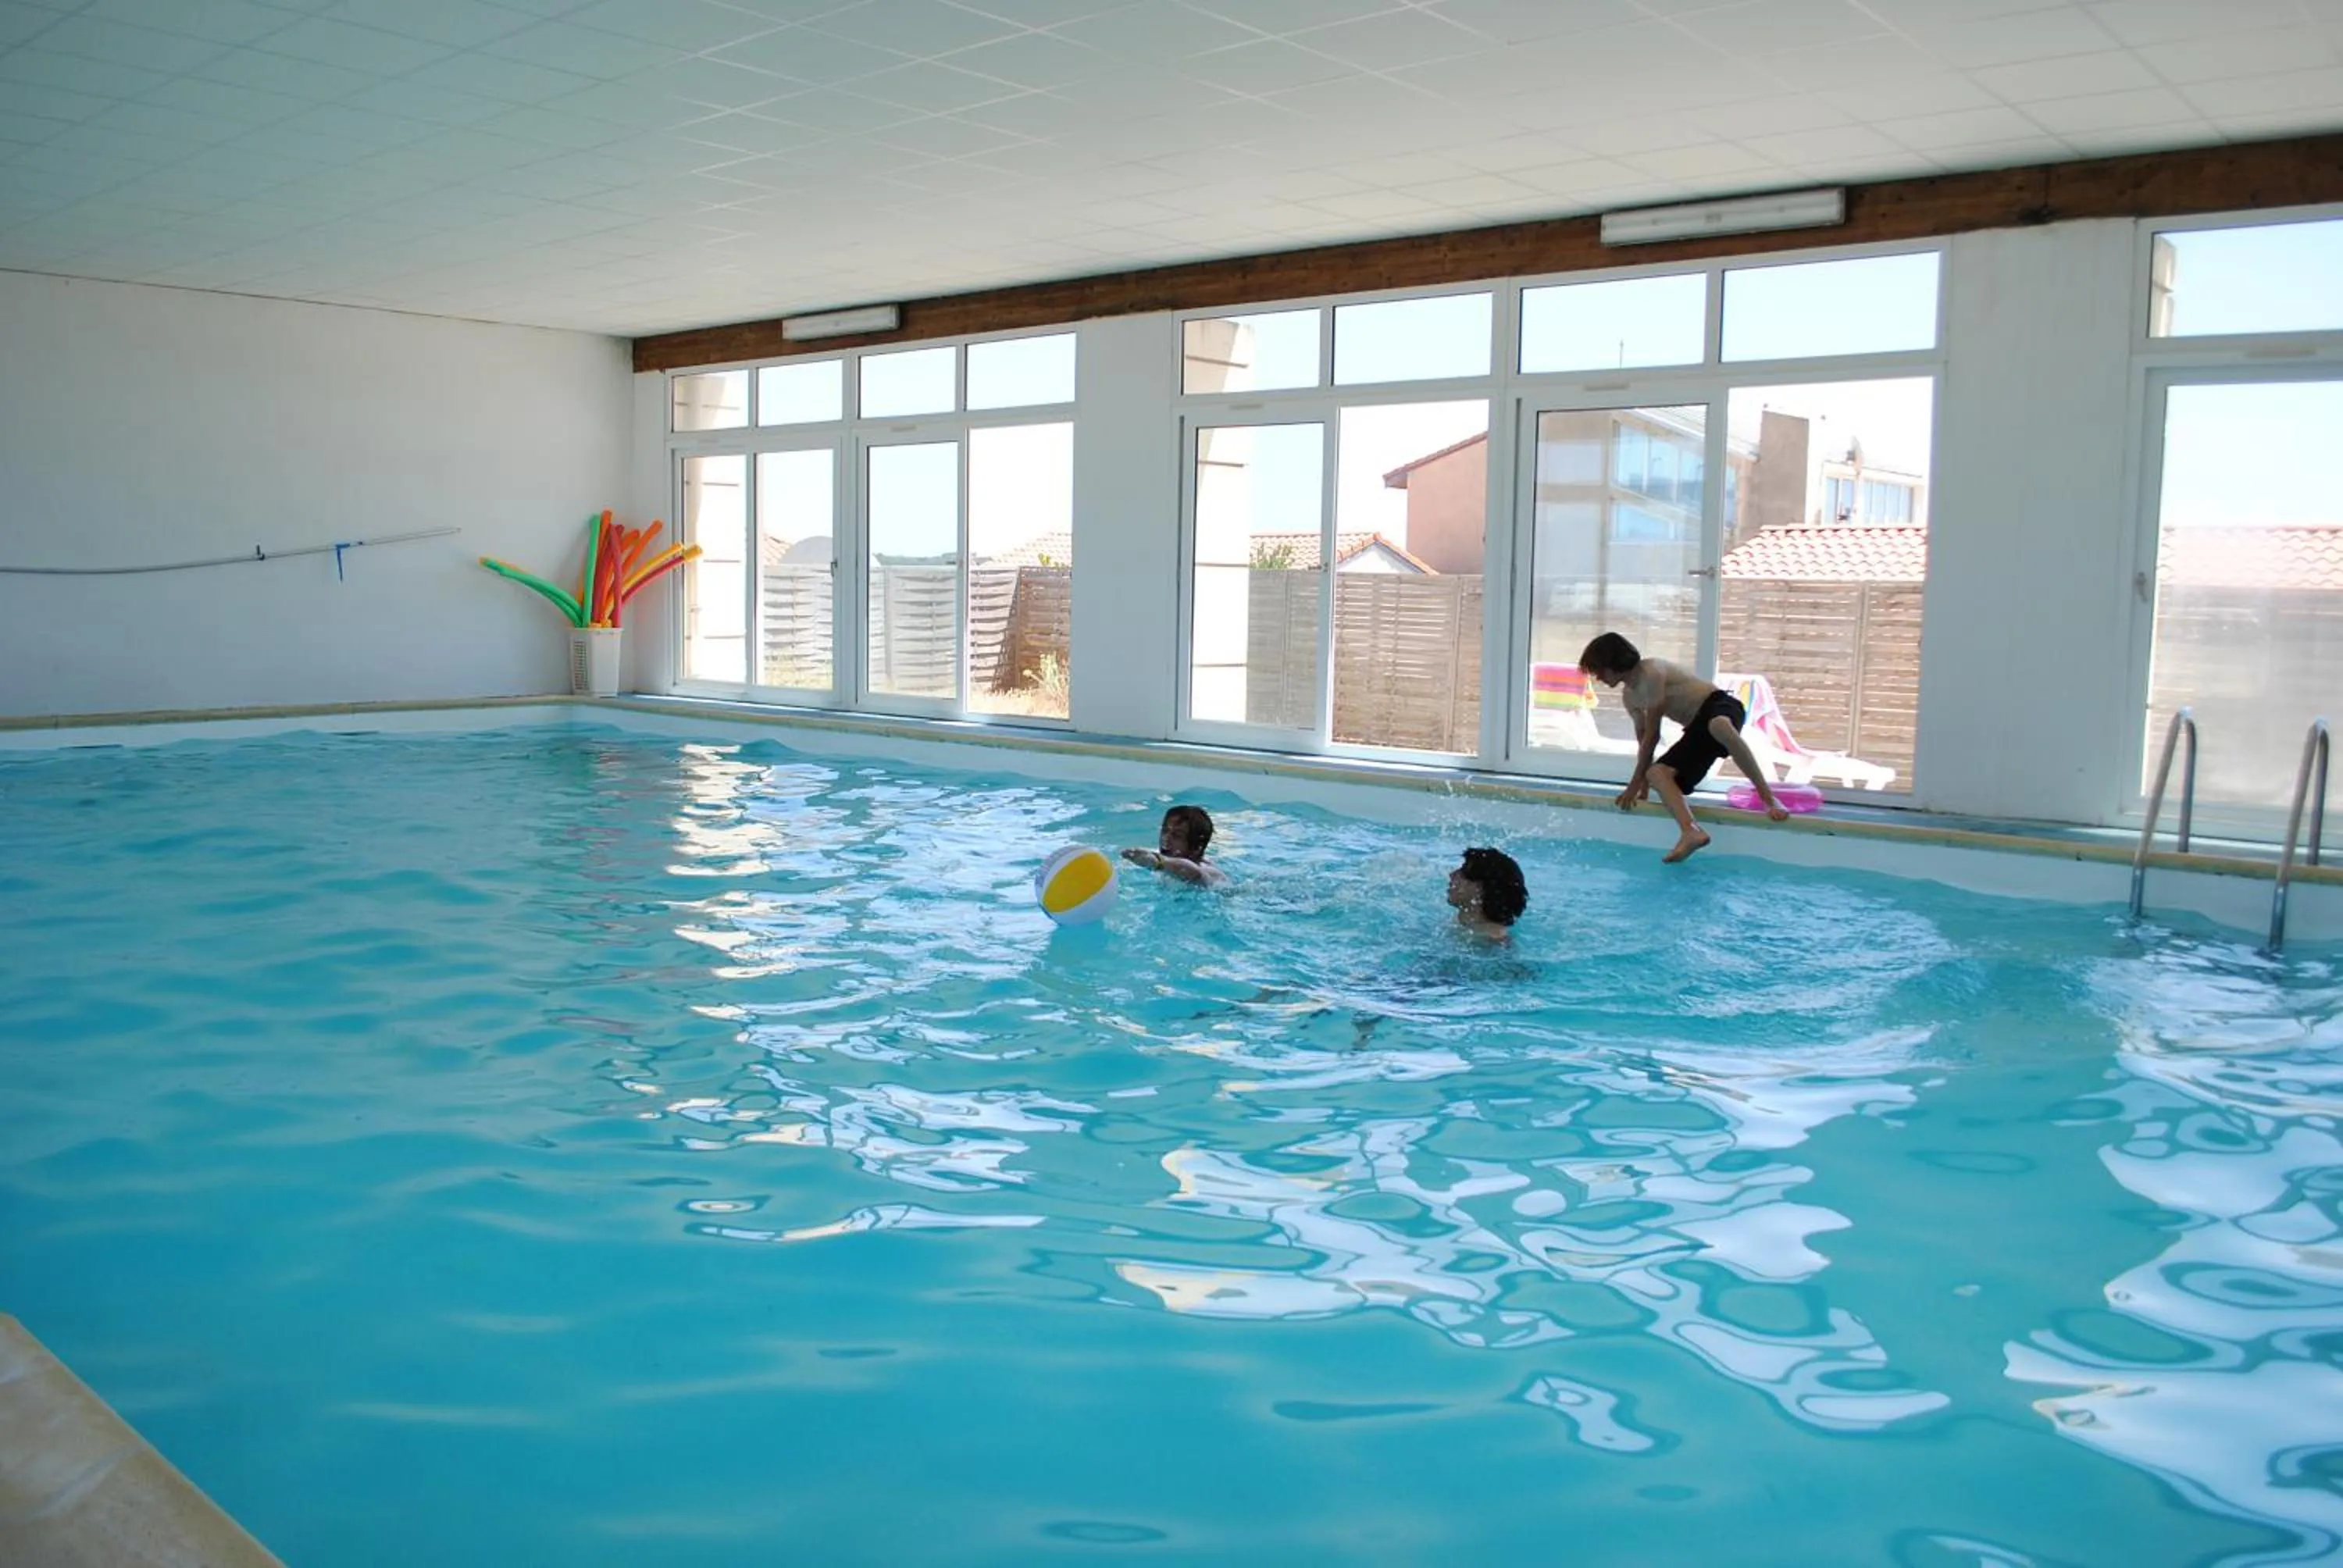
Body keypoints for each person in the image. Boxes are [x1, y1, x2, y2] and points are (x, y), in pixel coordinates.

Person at [1578, 631, 1789, 863]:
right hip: (1698, 731)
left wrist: (1634, 784)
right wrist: (1644, 784)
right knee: (1657, 773)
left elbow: (1653, 735)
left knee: (1719, 725)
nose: (1598, 677)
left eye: (1599, 670)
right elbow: (1643, 741)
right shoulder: (1630, 698)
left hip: (1720, 705)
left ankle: (1769, 798)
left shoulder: (1652, 672)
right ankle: (1691, 831)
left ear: (1613, 662)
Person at [1123, 804, 1230, 888]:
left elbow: (1193, 872)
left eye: (1177, 835)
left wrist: (1158, 863)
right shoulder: (1168, 864)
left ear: (1197, 848)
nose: (1166, 838)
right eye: (1165, 831)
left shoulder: (1211, 873)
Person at [1447, 846, 1526, 940]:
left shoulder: (1492, 941)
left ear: (1480, 888)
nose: (1452, 875)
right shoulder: (1464, 925)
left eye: (1463, 872)